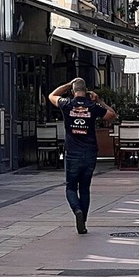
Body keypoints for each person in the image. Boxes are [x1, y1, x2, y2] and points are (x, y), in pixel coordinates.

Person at [49, 78, 117, 234]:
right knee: (85, 188)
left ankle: (77, 211)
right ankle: (83, 222)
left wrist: (67, 84)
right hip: (90, 152)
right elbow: (112, 115)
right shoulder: (93, 107)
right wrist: (100, 101)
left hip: (72, 153)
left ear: (73, 91)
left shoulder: (66, 104)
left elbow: (51, 95)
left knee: (71, 187)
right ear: (86, 92)